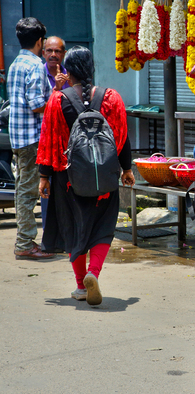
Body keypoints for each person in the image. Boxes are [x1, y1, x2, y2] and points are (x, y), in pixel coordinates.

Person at [36, 46, 135, 305]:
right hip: (104, 178)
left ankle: (81, 285)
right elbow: (121, 139)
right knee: (103, 228)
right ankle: (94, 272)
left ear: (68, 71)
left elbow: (49, 141)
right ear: (91, 68)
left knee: (74, 228)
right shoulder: (111, 98)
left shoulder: (58, 100)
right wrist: (126, 169)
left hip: (69, 180)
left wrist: (44, 176)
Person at [7, 17, 53, 260]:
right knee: (27, 192)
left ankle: (23, 240)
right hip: (31, 139)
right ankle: (25, 243)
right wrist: (56, 101)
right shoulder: (35, 64)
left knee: (21, 189)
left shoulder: (16, 63)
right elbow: (36, 104)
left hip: (18, 136)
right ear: (39, 41)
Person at [40, 36, 70, 230]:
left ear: (64, 54)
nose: (53, 55)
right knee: (46, 187)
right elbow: (42, 107)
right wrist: (56, 90)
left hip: (69, 143)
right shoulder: (38, 74)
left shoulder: (71, 75)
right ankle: (50, 235)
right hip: (46, 142)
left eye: (57, 51)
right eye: (49, 51)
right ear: (43, 53)